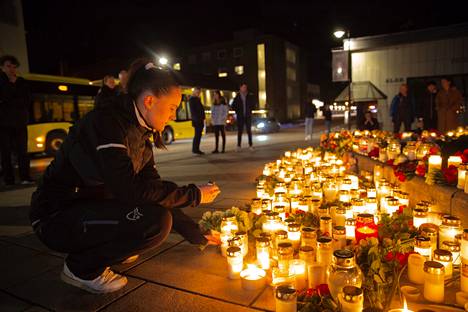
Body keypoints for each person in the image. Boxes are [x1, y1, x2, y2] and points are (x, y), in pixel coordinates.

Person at [29, 59, 221, 294]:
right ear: (149, 101)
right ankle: (80, 269)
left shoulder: (140, 134)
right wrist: (194, 195)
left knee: (152, 216)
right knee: (155, 223)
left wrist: (195, 233)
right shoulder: (108, 122)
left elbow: (153, 189)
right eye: (172, 107)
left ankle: (107, 248)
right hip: (55, 216)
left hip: (88, 207)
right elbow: (128, 190)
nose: (173, 114)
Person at [0, 55, 33, 185]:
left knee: (23, 152)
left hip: (20, 122)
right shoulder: (1, 81)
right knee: (5, 153)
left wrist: (7, 100)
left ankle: (25, 177)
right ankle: (9, 180)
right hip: (3, 124)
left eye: (14, 67)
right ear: (2, 67)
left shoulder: (22, 82)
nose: (11, 69)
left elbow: (26, 101)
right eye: (8, 66)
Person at [231, 83, 257, 151]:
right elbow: (233, 106)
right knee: (240, 131)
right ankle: (238, 146)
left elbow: (253, 104)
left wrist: (250, 109)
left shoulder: (249, 96)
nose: (244, 88)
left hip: (248, 115)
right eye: (243, 87)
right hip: (240, 116)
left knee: (249, 131)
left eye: (245, 87)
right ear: (240, 88)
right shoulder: (237, 96)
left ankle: (250, 145)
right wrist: (237, 111)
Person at [188, 87, 205, 155]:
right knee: (197, 135)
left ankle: (196, 149)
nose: (199, 93)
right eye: (197, 92)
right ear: (194, 91)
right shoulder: (193, 99)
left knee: (198, 135)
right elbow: (194, 111)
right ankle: (195, 149)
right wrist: (197, 119)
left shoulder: (197, 99)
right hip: (197, 120)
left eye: (199, 92)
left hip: (199, 120)